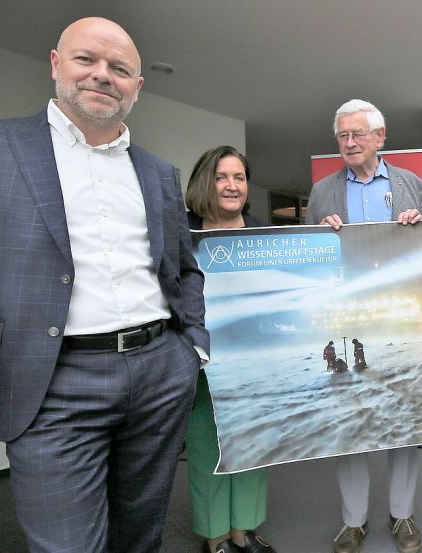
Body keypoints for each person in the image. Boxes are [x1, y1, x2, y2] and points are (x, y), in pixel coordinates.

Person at [0, 17, 208, 553]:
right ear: (55, 64)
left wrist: (193, 349)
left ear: (137, 88)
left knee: (139, 536)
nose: (102, 75)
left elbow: (183, 269)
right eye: (86, 59)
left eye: (120, 69)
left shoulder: (158, 173)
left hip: (160, 373)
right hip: (49, 382)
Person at [307, 99, 422, 553]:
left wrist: (420, 226)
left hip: (399, 314)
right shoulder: (322, 192)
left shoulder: (410, 184)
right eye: (343, 135)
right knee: (349, 418)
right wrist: (319, 233)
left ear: (380, 137)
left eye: (359, 134)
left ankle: (402, 516)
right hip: (346, 316)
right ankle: (353, 521)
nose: (350, 142)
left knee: (403, 415)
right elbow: (310, 258)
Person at [184, 146, 275, 553]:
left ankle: (245, 530)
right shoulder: (182, 232)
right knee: (208, 448)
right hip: (201, 361)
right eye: (222, 176)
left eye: (239, 178)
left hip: (256, 360)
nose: (232, 185)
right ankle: (217, 535)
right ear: (206, 181)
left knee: (254, 443)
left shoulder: (263, 231)